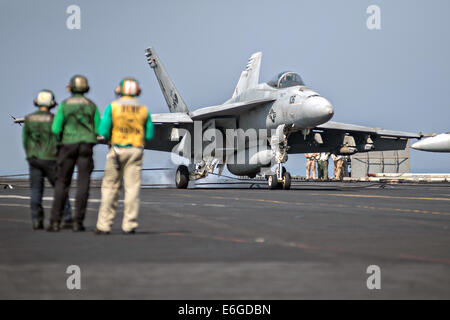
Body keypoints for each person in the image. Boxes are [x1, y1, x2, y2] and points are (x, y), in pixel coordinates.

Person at [94, 78, 154, 235]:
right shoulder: (143, 109)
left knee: (110, 188)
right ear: (137, 92)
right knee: (132, 189)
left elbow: (103, 131)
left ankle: (104, 225)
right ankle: (129, 225)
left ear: (118, 91)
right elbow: (149, 134)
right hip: (135, 152)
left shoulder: (113, 107)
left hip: (116, 151)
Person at [48, 75, 100, 232]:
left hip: (67, 147)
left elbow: (55, 129)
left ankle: (55, 221)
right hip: (86, 148)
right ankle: (78, 222)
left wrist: (58, 145)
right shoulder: (91, 106)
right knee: (83, 184)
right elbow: (98, 129)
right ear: (86, 89)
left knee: (62, 183)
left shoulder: (64, 106)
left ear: (70, 88)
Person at [22, 90, 72, 230]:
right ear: (52, 104)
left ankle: (36, 220)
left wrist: (30, 155)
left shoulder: (29, 119)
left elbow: (25, 141)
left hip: (34, 159)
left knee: (35, 190)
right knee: (60, 188)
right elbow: (60, 138)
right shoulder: (54, 119)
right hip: (51, 158)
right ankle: (67, 216)